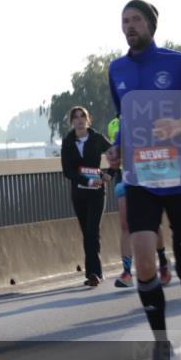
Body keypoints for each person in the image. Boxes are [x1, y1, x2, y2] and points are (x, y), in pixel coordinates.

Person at [106, 0, 181, 360]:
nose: (129, 26)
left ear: (152, 24)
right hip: (141, 177)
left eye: (136, 19)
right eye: (124, 21)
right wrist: (117, 147)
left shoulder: (179, 64)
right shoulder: (117, 69)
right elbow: (127, 117)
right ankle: (161, 346)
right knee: (143, 260)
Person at [106, 116, 172, 288]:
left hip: (147, 177)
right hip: (125, 180)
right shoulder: (117, 124)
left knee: (152, 224)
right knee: (125, 226)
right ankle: (127, 272)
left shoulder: (152, 118)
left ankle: (163, 261)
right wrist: (108, 173)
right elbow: (115, 152)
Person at [60, 106, 113, 287]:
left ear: (88, 119)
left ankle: (94, 273)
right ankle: (93, 272)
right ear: (72, 121)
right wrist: (86, 181)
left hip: (97, 192)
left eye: (83, 116)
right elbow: (67, 171)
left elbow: (115, 154)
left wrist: (110, 174)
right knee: (86, 232)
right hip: (79, 193)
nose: (79, 120)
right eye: (75, 117)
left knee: (93, 230)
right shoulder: (67, 142)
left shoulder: (97, 138)